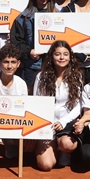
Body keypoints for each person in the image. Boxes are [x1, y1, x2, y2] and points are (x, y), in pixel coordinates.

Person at [33, 40, 83, 171]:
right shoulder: (41, 77)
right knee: (46, 165)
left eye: (65, 54)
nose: (62, 58)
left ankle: (64, 151)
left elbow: (79, 105)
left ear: (70, 57)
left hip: (66, 125)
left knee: (67, 144)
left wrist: (63, 121)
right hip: (47, 125)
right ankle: (50, 146)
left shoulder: (77, 76)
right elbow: (37, 103)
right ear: (51, 56)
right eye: (58, 54)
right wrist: (46, 125)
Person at [0, 43, 28, 167]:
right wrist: (8, 111)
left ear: (18, 64)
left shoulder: (21, 83)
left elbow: (24, 108)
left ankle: (10, 143)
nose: (9, 66)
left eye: (13, 62)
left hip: (14, 118)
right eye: (6, 62)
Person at [11, 0, 54, 86]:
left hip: (54, 66)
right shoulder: (23, 17)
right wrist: (29, 52)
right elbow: (16, 42)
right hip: (31, 67)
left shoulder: (59, 16)